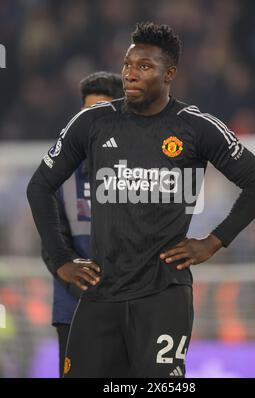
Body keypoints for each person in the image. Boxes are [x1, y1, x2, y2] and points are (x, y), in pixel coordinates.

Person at [27, 22, 255, 378]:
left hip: (163, 296)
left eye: (144, 67)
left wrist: (215, 241)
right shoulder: (93, 122)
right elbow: (39, 185)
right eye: (128, 65)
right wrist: (61, 259)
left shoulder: (195, 127)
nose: (130, 74)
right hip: (101, 292)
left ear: (169, 73)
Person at [41, 71, 123, 377]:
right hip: (73, 310)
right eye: (87, 114)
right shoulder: (59, 172)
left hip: (125, 308)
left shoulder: (138, 171)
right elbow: (51, 244)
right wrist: (79, 282)